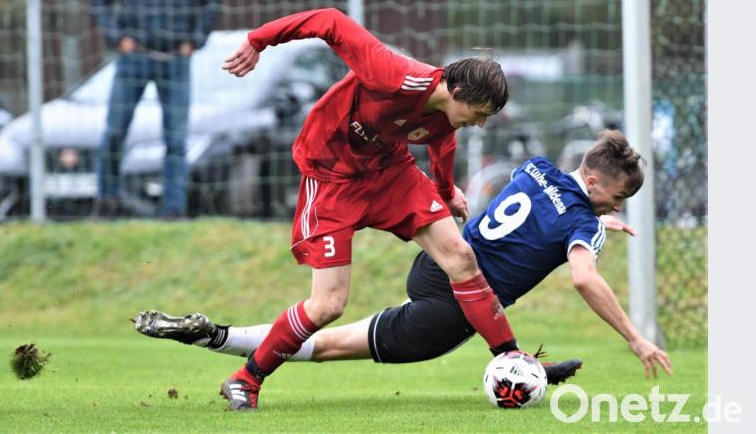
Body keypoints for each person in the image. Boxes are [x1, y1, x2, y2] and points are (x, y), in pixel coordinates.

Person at [134, 130, 672, 405]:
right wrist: (635, 337)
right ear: (595, 183)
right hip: (456, 306)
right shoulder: (584, 222)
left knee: (348, 332)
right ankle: (218, 337)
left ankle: (520, 365)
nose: (617, 206)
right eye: (618, 197)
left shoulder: (535, 170)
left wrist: (592, 217)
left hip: (436, 265)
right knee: (332, 344)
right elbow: (583, 276)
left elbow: (544, 216)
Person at [213, 8, 517, 411]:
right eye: (479, 115)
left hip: (388, 171)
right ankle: (247, 378)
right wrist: (259, 40)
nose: (480, 125)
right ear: (458, 92)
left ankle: (511, 359)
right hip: (332, 177)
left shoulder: (448, 116)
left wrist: (445, 192)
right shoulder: (393, 73)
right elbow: (330, 20)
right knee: (328, 305)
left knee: (460, 256)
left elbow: (442, 145)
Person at [90, 0, 219, 218]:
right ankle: (107, 201)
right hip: (133, 58)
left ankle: (173, 209)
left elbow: (211, 2)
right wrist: (116, 37)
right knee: (115, 131)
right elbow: (100, 0)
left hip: (176, 60)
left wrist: (195, 40)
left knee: (176, 139)